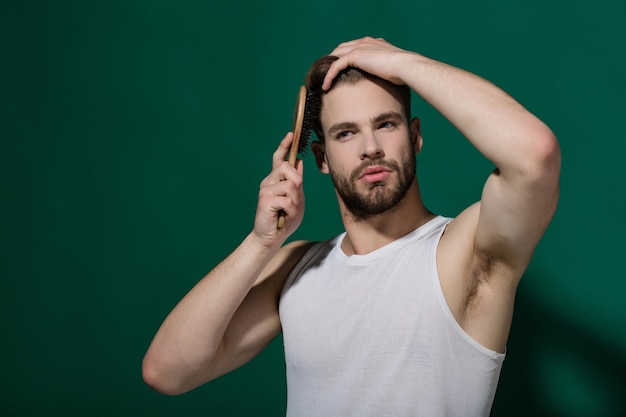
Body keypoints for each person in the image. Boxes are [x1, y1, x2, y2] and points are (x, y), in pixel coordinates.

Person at [142, 37, 561, 416]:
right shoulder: (295, 266)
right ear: (321, 158)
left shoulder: (464, 252)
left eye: (386, 124)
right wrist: (260, 243)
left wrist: (403, 62)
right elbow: (167, 372)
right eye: (346, 133)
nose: (371, 148)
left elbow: (535, 156)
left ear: (414, 137)